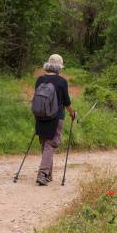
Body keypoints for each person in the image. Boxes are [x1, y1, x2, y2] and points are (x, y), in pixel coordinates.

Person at [34, 54, 76, 186]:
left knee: (45, 143)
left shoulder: (40, 79)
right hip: (56, 117)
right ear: (59, 67)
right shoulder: (61, 82)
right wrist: (72, 113)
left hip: (40, 116)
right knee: (51, 144)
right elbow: (67, 102)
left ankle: (48, 174)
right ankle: (42, 174)